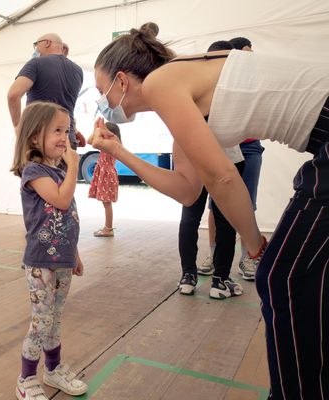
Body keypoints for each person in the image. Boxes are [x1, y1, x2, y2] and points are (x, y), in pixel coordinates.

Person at [89, 22, 328, 399]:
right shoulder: (183, 89)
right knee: (297, 278)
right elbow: (187, 191)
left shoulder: (161, 84)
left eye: (102, 91)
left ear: (121, 81)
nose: (103, 103)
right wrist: (119, 153)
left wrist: (254, 246)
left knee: (280, 279)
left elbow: (223, 180)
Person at [11, 101, 88, 400]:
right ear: (34, 137)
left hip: (63, 259)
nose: (64, 138)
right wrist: (74, 167)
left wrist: (75, 253)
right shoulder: (34, 172)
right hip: (41, 262)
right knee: (41, 321)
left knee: (55, 319)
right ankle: (26, 377)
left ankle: (52, 369)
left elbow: (68, 220)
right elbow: (62, 201)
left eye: (66, 131)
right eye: (56, 130)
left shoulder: (57, 173)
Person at [177, 40, 246, 297]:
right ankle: (220, 280)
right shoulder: (234, 86)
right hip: (226, 160)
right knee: (226, 220)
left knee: (190, 218)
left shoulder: (191, 83)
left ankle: (188, 276)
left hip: (194, 160)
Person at [199, 36, 265, 280]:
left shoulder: (253, 82)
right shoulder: (218, 82)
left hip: (249, 148)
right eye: (244, 51)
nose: (249, 56)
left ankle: (248, 257)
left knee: (248, 203)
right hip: (222, 147)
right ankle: (214, 255)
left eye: (251, 51)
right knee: (216, 206)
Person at [7, 33, 83, 149]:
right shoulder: (78, 71)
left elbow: (13, 95)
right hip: (67, 139)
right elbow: (63, 101)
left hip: (40, 139)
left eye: (36, 45)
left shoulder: (36, 63)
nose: (35, 50)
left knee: (36, 168)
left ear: (47, 43)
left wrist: (18, 126)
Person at [89, 121, 121, 237]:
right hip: (104, 174)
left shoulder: (111, 142)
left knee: (107, 203)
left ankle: (108, 229)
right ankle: (107, 227)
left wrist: (97, 130)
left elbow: (92, 142)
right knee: (105, 202)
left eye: (103, 130)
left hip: (107, 175)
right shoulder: (106, 141)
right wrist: (96, 128)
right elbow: (90, 141)